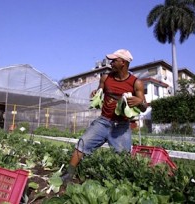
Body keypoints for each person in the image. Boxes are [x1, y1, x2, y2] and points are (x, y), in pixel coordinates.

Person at [61, 49, 147, 183]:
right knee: (82, 144)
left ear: (123, 62)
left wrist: (139, 102)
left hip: (121, 126)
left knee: (123, 157)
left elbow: (144, 106)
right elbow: (100, 91)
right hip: (103, 122)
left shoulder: (136, 83)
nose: (111, 63)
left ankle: (124, 183)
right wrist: (96, 93)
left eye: (114, 60)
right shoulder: (105, 77)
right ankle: (69, 174)